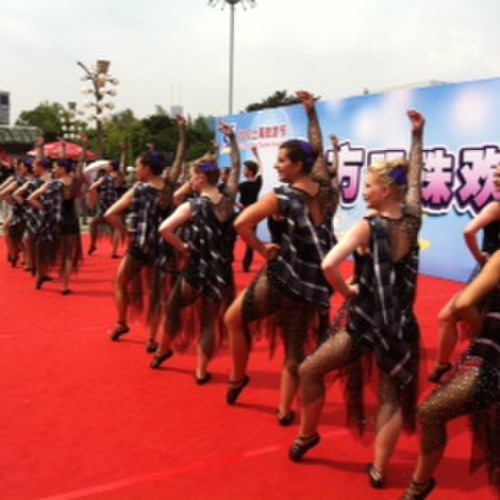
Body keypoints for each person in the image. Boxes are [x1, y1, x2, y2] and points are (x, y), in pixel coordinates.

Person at [288, 111, 425, 490]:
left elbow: (330, 262)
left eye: (369, 186)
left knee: (310, 370)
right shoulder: (413, 218)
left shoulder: (370, 225)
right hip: (400, 326)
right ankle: (379, 469)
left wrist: (345, 290)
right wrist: (418, 134)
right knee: (391, 398)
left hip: (365, 323)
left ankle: (306, 434)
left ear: (386, 190)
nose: (364, 191)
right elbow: (415, 176)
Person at [224, 91, 339, 424]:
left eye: (282, 160)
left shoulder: (283, 196)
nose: (276, 165)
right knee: (295, 351)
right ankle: (285, 410)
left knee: (234, 319)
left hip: (285, 277)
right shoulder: (328, 192)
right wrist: (312, 113)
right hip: (315, 285)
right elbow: (317, 150)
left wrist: (263, 250)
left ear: (297, 165)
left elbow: (241, 223)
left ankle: (238, 376)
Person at [401, 250, 500, 499]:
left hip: (492, 363)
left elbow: (463, 303)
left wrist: (480, 328)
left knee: (431, 412)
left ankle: (418, 488)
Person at [152, 121, 240, 384]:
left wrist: (184, 247)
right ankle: (201, 370)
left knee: (173, 307)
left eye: (192, 177)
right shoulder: (227, 201)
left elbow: (164, 229)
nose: (190, 181)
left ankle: (162, 349)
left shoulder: (192, 206)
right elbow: (235, 168)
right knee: (209, 321)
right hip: (220, 271)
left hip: (195, 269)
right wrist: (232, 140)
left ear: (201, 179)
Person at [105, 115, 187, 347]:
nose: (137, 169)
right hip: (164, 248)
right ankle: (153, 338)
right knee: (158, 295)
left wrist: (125, 231)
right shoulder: (170, 187)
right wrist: (182, 133)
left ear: (148, 168)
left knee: (120, 283)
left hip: (140, 245)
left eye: (139, 165)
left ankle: (122, 322)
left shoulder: (138, 190)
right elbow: (180, 159)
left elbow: (110, 213)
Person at [428, 163, 500, 384]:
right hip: (490, 270)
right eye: (494, 174)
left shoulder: (496, 207)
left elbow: (468, 230)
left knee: (451, 313)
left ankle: (482, 349)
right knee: (447, 316)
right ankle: (444, 365)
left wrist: (480, 256)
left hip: (491, 271)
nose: (495, 178)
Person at [87, 158, 125, 258]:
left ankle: (93, 244)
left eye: (108, 165)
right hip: (115, 205)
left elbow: (91, 188)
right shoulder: (118, 177)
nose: (106, 167)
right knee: (116, 228)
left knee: (93, 224)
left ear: (112, 167)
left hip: (106, 206)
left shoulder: (105, 178)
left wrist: (99, 197)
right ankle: (114, 252)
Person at [237, 145, 263, 272]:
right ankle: (246, 265)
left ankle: (244, 264)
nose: (243, 171)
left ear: (250, 171)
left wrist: (239, 206)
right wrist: (256, 154)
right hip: (253, 213)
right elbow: (261, 169)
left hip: (245, 213)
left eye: (245, 169)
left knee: (246, 239)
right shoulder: (257, 182)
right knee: (250, 240)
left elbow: (229, 196)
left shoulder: (243, 185)